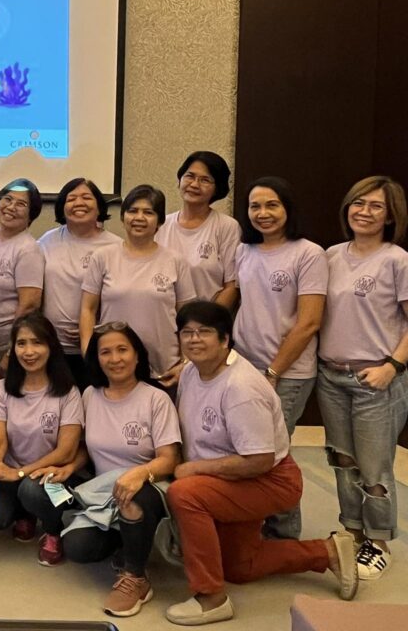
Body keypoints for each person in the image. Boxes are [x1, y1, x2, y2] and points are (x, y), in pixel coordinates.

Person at [166, 301, 358, 626]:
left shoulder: (240, 387)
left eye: (204, 332)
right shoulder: (190, 372)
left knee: (185, 494)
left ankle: (210, 598)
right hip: (230, 477)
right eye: (187, 332)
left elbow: (259, 460)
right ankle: (327, 552)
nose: (194, 339)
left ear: (225, 340)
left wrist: (194, 469)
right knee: (241, 567)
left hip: (268, 479)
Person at [55, 322, 181, 617]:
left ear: (137, 355)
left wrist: (138, 475)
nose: (115, 359)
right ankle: (125, 542)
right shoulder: (90, 395)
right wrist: (70, 466)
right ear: (96, 359)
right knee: (74, 543)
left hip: (146, 488)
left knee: (132, 499)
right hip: (101, 492)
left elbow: (169, 459)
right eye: (106, 352)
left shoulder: (156, 399)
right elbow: (87, 447)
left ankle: (136, 577)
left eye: (122, 350)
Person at [317, 176, 408, 579]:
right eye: (358, 203)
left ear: (390, 216)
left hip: (376, 379)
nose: (364, 212)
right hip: (331, 376)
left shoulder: (397, 260)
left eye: (375, 206)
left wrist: (392, 366)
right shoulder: (331, 256)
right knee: (343, 460)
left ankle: (379, 541)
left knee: (374, 468)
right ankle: (352, 532)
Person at [233, 176, 327, 539]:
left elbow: (309, 322)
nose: (263, 213)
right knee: (249, 449)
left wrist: (273, 371)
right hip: (246, 367)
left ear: (288, 208)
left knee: (273, 454)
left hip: (287, 373)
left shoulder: (308, 253)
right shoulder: (245, 251)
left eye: (272, 205)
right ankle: (255, 525)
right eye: (255, 206)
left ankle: (284, 534)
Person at [0, 314, 84, 568]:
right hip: (12, 475)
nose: (29, 351)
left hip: (54, 479)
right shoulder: (2, 389)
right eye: (21, 343)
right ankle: (26, 514)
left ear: (51, 346)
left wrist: (20, 472)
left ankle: (53, 531)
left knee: (31, 490)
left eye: (37, 343)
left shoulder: (68, 392)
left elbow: (66, 452)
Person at [80, 184, 196, 385]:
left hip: (164, 370)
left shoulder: (176, 261)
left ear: (160, 221)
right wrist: (89, 354)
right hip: (112, 366)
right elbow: (87, 310)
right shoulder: (103, 257)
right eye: (133, 211)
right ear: (123, 216)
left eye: (148, 212)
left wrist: (186, 363)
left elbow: (188, 319)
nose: (139, 218)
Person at [38, 178, 122, 390]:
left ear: (99, 206)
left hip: (96, 348)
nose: (79, 203)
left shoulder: (115, 246)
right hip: (53, 348)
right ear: (62, 207)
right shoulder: (47, 240)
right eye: (71, 199)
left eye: (86, 197)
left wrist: (93, 327)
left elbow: (121, 296)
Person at [0, 179, 45, 370]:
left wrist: (10, 351)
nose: (11, 207)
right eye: (8, 199)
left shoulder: (28, 250)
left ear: (31, 214)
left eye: (21, 204)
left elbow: (29, 306)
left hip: (4, 346)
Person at [156, 152, 240, 309]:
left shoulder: (227, 226)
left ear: (217, 189)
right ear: (180, 180)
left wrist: (206, 320)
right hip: (163, 317)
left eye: (205, 180)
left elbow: (232, 286)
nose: (194, 184)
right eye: (190, 176)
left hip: (207, 319)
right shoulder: (161, 225)